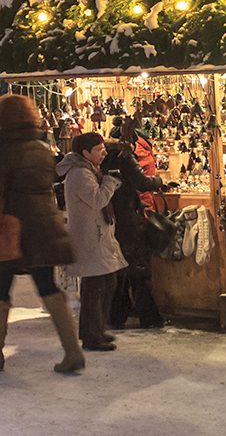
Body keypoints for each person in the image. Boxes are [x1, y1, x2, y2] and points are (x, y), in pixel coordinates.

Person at [0, 93, 81, 375]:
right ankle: (72, 351)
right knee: (47, 287)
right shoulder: (42, 146)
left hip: (11, 229)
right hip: (44, 227)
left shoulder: (5, 148)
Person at [59, 130, 126, 354]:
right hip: (90, 238)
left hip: (97, 236)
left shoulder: (88, 170)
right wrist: (110, 181)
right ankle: (92, 335)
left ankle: (94, 330)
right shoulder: (79, 174)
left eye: (103, 148)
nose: (103, 153)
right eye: (98, 150)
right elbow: (97, 199)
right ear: (85, 152)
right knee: (96, 287)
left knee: (105, 284)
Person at [106, 127, 169, 330]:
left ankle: (116, 315)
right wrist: (161, 182)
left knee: (121, 268)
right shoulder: (124, 156)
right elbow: (141, 182)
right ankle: (149, 316)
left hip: (111, 217)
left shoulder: (104, 157)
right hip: (127, 217)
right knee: (138, 268)